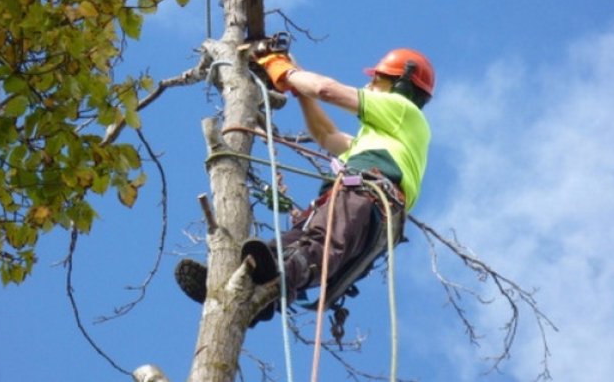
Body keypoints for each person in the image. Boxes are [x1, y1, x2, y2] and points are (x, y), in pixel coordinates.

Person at [175, 48, 435, 325]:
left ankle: (274, 285)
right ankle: (238, 287)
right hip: (353, 203)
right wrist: (297, 88)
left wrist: (284, 71)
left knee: (316, 247)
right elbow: (326, 134)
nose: (368, 85)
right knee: (277, 249)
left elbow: (325, 90)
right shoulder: (377, 138)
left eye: (377, 79)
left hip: (366, 199)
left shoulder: (404, 111)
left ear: (402, 83)